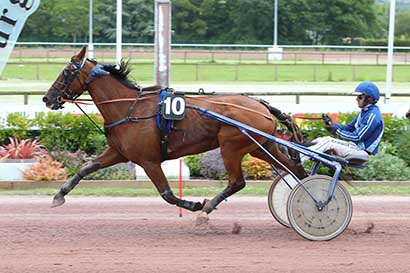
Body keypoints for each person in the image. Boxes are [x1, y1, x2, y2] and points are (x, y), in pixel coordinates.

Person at [300, 81, 384, 163]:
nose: (356, 99)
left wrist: (336, 131)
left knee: (328, 143)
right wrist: (332, 124)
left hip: (363, 152)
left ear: (369, 98)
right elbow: (348, 128)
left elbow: (357, 137)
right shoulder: (365, 112)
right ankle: (300, 153)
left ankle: (299, 162)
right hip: (355, 148)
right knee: (324, 139)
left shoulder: (373, 115)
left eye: (360, 97)